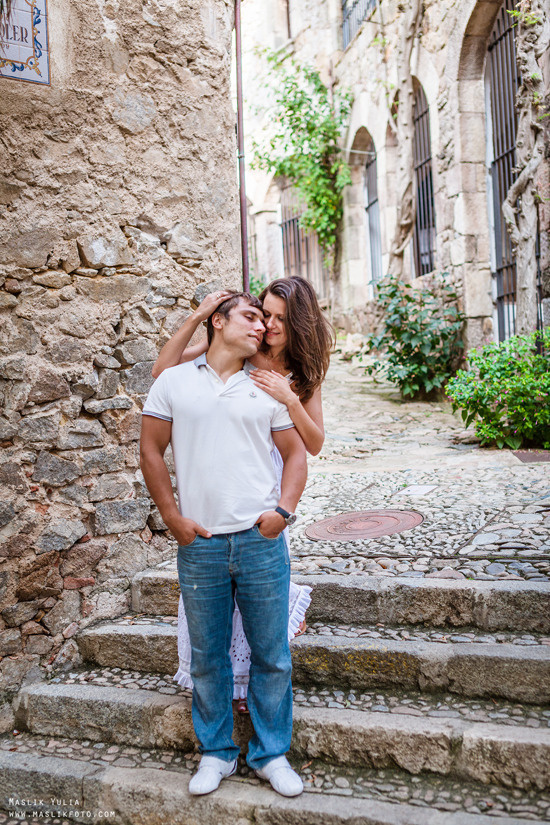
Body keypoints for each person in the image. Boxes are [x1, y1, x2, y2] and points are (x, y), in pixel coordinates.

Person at [140, 292, 308, 798]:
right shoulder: (174, 381)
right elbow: (150, 447)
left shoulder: (266, 386)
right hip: (202, 545)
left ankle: (271, 753)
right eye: (251, 317)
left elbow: (297, 455)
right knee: (209, 656)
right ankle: (216, 752)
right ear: (218, 322)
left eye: (265, 319)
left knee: (272, 653)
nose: (262, 327)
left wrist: (282, 512)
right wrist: (173, 517)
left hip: (260, 542)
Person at [153, 277, 333, 708]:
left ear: (299, 323)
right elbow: (164, 370)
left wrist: (289, 399)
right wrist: (199, 316)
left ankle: (254, 678)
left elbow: (313, 444)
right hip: (221, 466)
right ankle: (226, 684)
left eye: (279, 319)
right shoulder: (243, 349)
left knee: (260, 581)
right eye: (264, 313)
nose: (268, 325)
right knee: (218, 595)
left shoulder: (303, 372)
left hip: (268, 469)